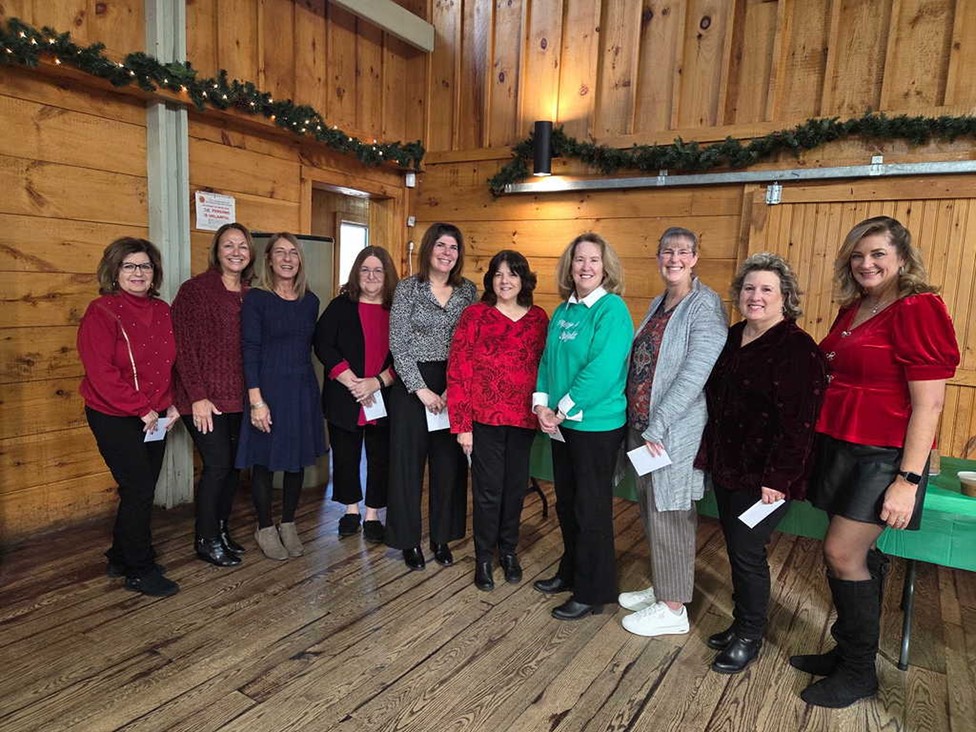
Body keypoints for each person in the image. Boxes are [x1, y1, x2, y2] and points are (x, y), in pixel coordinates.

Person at [791, 216, 959, 708]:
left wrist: (908, 479)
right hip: (841, 445)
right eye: (858, 255)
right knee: (855, 556)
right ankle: (848, 653)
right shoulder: (857, 306)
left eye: (878, 254)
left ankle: (860, 671)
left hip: (883, 456)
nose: (866, 263)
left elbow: (929, 404)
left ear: (902, 258)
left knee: (842, 553)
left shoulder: (918, 307)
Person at [696, 253, 826, 673]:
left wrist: (779, 478)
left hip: (766, 477)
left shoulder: (797, 348)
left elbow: (800, 424)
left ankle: (750, 635)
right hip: (728, 466)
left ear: (785, 296)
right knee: (736, 548)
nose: (756, 296)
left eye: (767, 289)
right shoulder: (734, 336)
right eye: (749, 288)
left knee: (747, 551)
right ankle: (741, 623)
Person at [616, 227, 727, 636]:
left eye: (683, 252)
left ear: (695, 258)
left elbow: (696, 373)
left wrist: (659, 424)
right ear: (658, 257)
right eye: (667, 251)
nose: (674, 259)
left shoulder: (705, 305)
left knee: (672, 513)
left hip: (671, 433)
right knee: (652, 511)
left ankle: (673, 608)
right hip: (644, 429)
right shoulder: (659, 302)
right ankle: (665, 588)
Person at [532, 232, 633, 620]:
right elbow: (547, 361)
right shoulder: (563, 311)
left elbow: (603, 369)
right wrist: (541, 404)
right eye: (579, 260)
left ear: (606, 267)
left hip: (596, 426)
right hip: (562, 424)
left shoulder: (612, 310)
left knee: (591, 509)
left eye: (593, 260)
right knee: (568, 502)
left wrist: (561, 408)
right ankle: (571, 571)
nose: (585, 267)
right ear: (569, 267)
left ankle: (593, 591)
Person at [77, 237, 180, 597]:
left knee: (141, 488)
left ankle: (120, 556)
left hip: (157, 415)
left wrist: (173, 404)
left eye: (145, 266)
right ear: (115, 270)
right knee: (138, 488)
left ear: (154, 272)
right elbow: (101, 373)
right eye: (129, 266)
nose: (138, 273)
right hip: (114, 414)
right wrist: (141, 408)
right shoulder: (101, 311)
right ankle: (139, 569)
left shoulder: (163, 310)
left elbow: (170, 363)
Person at [447, 250, 549, 591]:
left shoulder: (538, 318)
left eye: (513, 274)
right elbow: (458, 370)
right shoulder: (475, 315)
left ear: (524, 280)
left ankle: (508, 551)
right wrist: (462, 425)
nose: (505, 281)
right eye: (498, 274)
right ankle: (484, 558)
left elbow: (546, 368)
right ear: (490, 279)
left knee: (515, 490)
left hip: (523, 419)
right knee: (488, 491)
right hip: (484, 420)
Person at [387, 222, 477, 570]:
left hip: (454, 381)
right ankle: (408, 541)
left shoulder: (467, 291)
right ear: (429, 249)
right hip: (412, 386)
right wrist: (421, 388)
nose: (446, 253)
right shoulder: (408, 288)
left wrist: (453, 388)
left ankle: (442, 536)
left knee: (448, 465)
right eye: (441, 245)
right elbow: (398, 343)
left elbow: (471, 342)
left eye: (453, 247)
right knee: (407, 467)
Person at [236, 233, 326, 560]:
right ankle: (264, 527)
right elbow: (250, 349)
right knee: (264, 461)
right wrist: (256, 401)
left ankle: (288, 523)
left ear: (300, 260)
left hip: (302, 389)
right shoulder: (257, 299)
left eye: (293, 253)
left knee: (296, 460)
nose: (287, 259)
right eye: (280, 253)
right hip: (267, 389)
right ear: (269, 260)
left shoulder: (310, 301)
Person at [172, 223, 255, 567]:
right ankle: (205, 538)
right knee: (218, 465)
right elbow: (182, 347)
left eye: (242, 246)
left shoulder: (251, 294)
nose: (236, 252)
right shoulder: (195, 290)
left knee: (233, 467)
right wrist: (197, 396)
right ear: (217, 251)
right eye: (228, 245)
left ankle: (221, 529)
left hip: (238, 397)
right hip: (203, 398)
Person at [314, 246, 399, 543]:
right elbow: (323, 343)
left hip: (384, 395)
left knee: (380, 457)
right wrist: (353, 382)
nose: (371, 276)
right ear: (356, 273)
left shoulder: (398, 310)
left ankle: (372, 514)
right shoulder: (340, 306)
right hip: (345, 394)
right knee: (345, 455)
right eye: (365, 270)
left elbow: (406, 353)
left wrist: (376, 383)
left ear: (387, 275)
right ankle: (351, 510)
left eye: (378, 270)